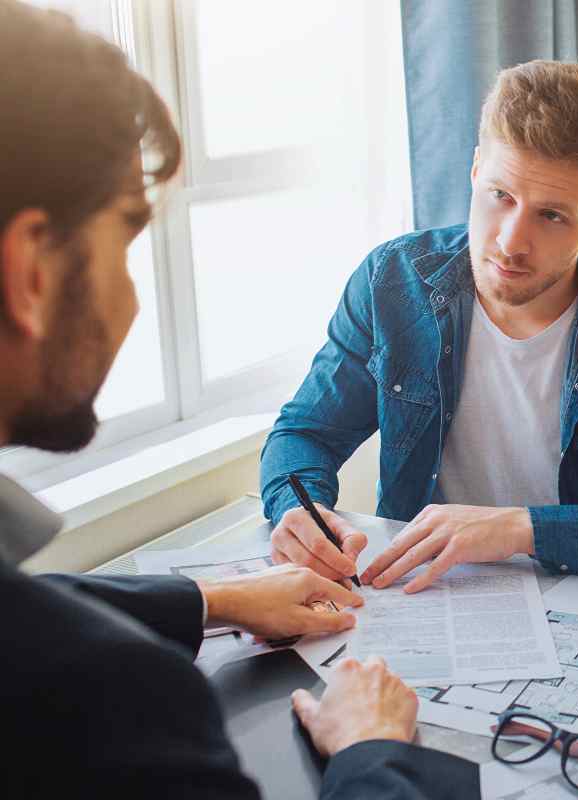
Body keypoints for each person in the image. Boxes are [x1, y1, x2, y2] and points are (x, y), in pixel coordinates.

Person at [0, 2, 477, 796]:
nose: (131, 300)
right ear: (31, 274)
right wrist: (371, 751)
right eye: (125, 240)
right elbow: (302, 433)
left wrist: (216, 597)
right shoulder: (116, 699)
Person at [262, 60, 578, 593]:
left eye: (551, 216)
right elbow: (305, 433)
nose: (509, 241)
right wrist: (299, 509)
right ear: (476, 171)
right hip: (421, 595)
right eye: (500, 196)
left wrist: (520, 529)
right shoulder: (392, 282)